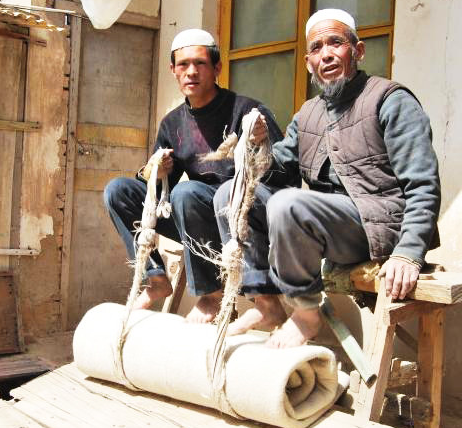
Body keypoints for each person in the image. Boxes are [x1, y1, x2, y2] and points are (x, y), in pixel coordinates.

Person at [214, 9, 441, 347]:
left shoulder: (390, 100)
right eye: (317, 48)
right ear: (309, 63)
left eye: (336, 43)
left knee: (288, 204)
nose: (327, 54)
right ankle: (266, 301)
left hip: (380, 228)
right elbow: (278, 173)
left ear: (358, 51)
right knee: (229, 195)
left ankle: (305, 313)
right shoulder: (308, 114)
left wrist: (409, 252)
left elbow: (423, 184)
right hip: (329, 228)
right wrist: (259, 145)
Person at [104, 29, 291, 322]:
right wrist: (153, 171)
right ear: (173, 71)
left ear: (217, 68)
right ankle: (155, 280)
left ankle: (211, 296)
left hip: (242, 219)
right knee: (118, 191)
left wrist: (258, 147)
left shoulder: (248, 112)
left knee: (186, 192)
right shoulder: (172, 122)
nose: (191, 72)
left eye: (200, 63)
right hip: (195, 221)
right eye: (183, 65)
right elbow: (152, 192)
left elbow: (286, 175)